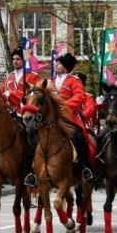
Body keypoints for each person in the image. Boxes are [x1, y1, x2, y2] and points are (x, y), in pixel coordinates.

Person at [46, 53, 94, 182]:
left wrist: (63, 105)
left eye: (59, 63)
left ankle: (84, 167)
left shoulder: (74, 80)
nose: (56, 65)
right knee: (35, 136)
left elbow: (79, 97)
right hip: (51, 118)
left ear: (66, 67)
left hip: (69, 117)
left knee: (79, 136)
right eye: (56, 63)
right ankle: (31, 169)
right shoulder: (50, 81)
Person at [0, 47, 41, 187]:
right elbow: (0, 94)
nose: (15, 61)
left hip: (26, 115)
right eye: (13, 59)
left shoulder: (32, 76)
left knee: (32, 136)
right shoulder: (8, 77)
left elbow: (32, 95)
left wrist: (11, 94)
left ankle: (31, 169)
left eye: (18, 59)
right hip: (10, 115)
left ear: (23, 61)